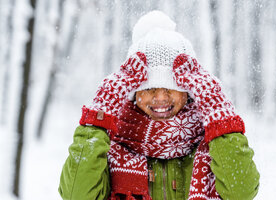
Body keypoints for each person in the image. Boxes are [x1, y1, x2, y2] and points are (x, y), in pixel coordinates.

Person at [58, 11, 260, 200]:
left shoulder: (212, 144)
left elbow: (241, 192)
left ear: (189, 90)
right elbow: (76, 194)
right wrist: (99, 115)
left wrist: (218, 112)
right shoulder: (109, 144)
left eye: (171, 87)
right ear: (133, 92)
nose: (161, 97)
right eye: (149, 88)